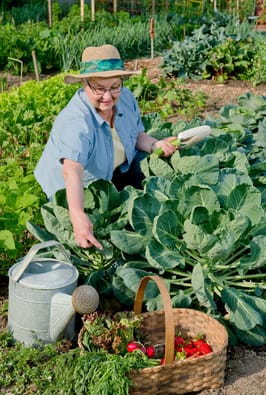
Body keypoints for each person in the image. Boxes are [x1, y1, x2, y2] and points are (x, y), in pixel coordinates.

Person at [34, 44, 179, 250]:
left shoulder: (126, 98)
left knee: (146, 161)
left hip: (110, 171)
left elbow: (136, 135)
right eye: (99, 88)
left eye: (114, 87)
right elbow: (71, 171)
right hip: (74, 186)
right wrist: (78, 215)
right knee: (88, 232)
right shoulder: (76, 121)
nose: (108, 96)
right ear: (84, 84)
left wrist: (156, 144)